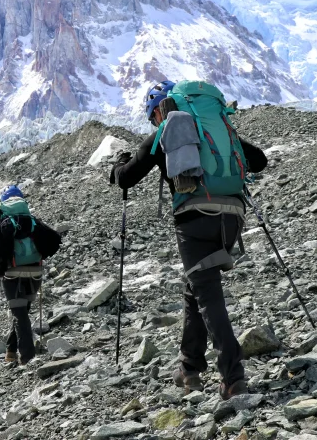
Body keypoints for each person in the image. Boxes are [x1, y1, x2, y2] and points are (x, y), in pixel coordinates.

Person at [111, 81, 268, 400]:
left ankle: (233, 375)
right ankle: (189, 368)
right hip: (232, 216)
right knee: (194, 287)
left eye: (153, 117)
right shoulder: (217, 128)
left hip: (194, 218)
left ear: (159, 109)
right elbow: (260, 161)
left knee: (207, 292)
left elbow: (127, 177)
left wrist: (116, 167)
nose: (156, 124)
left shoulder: (167, 129)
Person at [0, 186, 60, 366]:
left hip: (11, 274)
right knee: (22, 312)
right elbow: (54, 240)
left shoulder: (0, 223)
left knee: (19, 314)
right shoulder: (31, 221)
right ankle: (11, 352)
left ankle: (28, 359)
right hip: (35, 273)